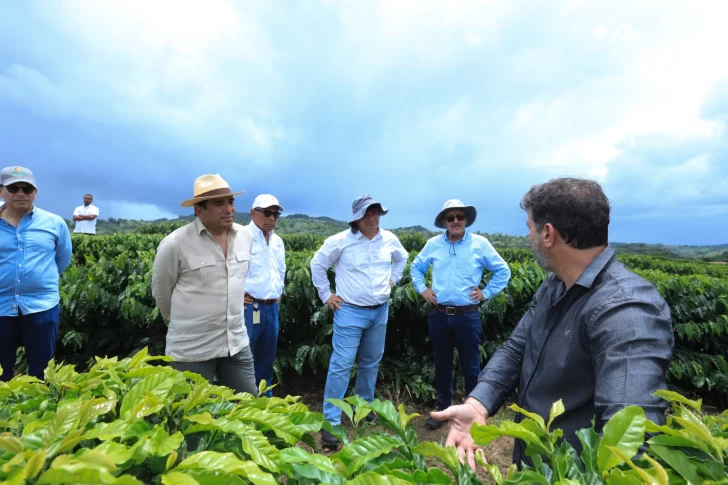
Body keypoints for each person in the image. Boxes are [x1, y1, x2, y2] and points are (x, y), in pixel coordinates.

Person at [431, 178, 674, 470]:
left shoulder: (627, 310)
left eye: (530, 226)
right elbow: (517, 348)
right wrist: (477, 403)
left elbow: (630, 445)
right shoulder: (555, 285)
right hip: (538, 464)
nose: (528, 235)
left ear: (548, 233)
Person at [310, 195, 409, 449]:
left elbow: (402, 258)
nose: (374, 218)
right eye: (368, 214)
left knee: (371, 362)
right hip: (350, 310)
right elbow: (317, 264)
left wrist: (393, 280)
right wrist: (326, 295)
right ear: (357, 218)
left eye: (376, 212)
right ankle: (331, 422)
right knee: (341, 365)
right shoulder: (340, 241)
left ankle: (363, 406)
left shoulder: (389, 239)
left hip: (380, 311)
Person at [410, 199, 511, 430]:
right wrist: (423, 289)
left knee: (471, 366)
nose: (456, 221)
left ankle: (474, 412)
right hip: (439, 313)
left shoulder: (480, 244)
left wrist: (486, 293)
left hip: (468, 315)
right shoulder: (433, 244)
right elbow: (416, 268)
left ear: (466, 219)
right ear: (444, 222)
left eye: (460, 217)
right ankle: (442, 410)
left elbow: (502, 270)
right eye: (450, 217)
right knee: (442, 363)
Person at [151, 173, 256, 395]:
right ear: (200, 210)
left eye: (231, 202)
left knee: (249, 407)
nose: (229, 209)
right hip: (192, 348)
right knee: (189, 418)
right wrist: (189, 321)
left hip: (236, 343)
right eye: (219, 203)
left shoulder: (245, 237)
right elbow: (162, 294)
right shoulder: (175, 244)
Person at [0, 166, 72, 381]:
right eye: (14, 188)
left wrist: (38, 281)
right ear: (1, 191)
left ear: (35, 193)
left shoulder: (54, 223)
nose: (21, 193)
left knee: (42, 370)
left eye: (27, 188)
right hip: (1, 306)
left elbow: (62, 259)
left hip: (42, 304)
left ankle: (42, 411)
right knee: (2, 371)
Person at [244, 194, 286, 397]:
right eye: (267, 213)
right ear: (253, 213)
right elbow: (225, 269)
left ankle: (264, 403)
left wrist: (279, 291)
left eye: (275, 214)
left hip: (271, 308)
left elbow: (281, 270)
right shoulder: (240, 237)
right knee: (244, 357)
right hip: (249, 308)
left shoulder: (278, 242)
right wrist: (234, 294)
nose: (272, 218)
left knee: (267, 359)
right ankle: (242, 403)